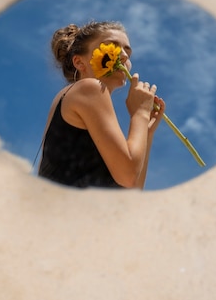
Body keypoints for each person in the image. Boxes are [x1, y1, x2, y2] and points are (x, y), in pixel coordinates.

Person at [38, 21, 166, 189]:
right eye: (111, 47)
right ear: (79, 62)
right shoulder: (87, 88)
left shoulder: (79, 99)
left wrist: (146, 133)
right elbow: (129, 177)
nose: (124, 56)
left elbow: (131, 193)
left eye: (128, 51)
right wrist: (139, 114)